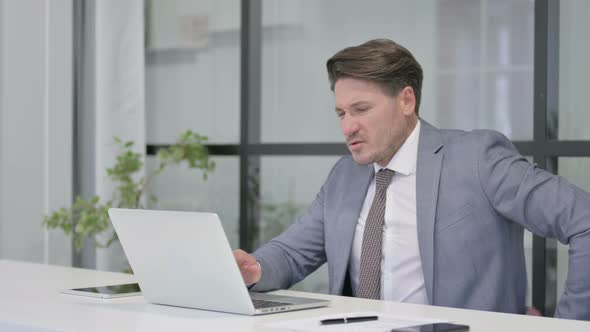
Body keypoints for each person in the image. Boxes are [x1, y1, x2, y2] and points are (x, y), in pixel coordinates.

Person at [233, 38, 590, 320]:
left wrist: (568, 324)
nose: (347, 126)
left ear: (406, 100)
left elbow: (583, 220)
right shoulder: (344, 176)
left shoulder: (476, 159)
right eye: (341, 112)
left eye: (361, 109)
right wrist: (254, 267)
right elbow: (293, 252)